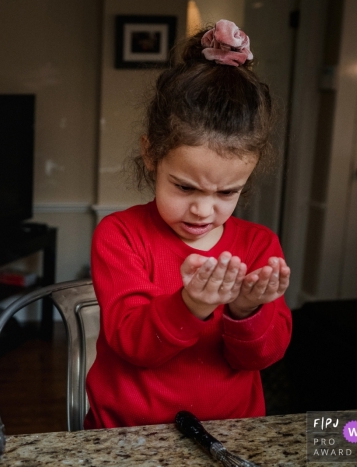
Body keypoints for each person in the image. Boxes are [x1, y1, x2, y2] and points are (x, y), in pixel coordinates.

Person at [85, 20, 292, 429]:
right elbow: (131, 343)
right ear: (151, 155)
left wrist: (246, 309)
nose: (202, 210)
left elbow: (262, 357)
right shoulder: (120, 235)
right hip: (129, 432)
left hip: (231, 431)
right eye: (184, 187)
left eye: (226, 193)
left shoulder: (259, 246)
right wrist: (190, 306)